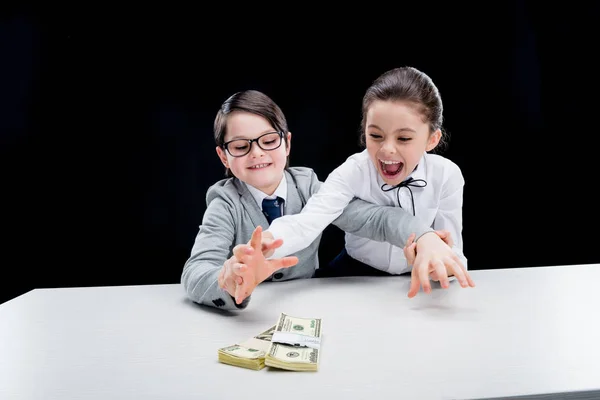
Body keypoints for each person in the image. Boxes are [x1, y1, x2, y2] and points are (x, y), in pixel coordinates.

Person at [181, 89, 457, 311]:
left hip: (307, 305)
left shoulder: (308, 186)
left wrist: (424, 236)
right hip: (251, 314)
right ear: (223, 156)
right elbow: (196, 270)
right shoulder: (225, 203)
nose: (257, 154)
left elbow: (376, 218)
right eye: (241, 146)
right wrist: (227, 281)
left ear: (287, 144)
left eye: (268, 141)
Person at [236, 66, 475, 302]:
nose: (387, 148)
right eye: (376, 136)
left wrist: (436, 263)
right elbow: (306, 222)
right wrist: (268, 242)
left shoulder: (447, 175)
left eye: (404, 138)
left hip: (412, 283)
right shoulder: (353, 171)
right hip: (353, 273)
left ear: (432, 139)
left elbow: (455, 255)